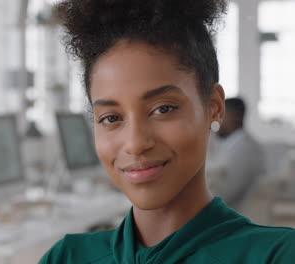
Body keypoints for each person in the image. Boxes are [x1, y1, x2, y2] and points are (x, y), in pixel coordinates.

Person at [39, 0, 295, 263]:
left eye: (163, 109)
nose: (136, 143)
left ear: (214, 107)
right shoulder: (66, 257)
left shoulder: (277, 255)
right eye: (111, 117)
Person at [207, 97, 264, 211]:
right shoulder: (229, 144)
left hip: (231, 214)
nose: (215, 121)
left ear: (236, 116)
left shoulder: (245, 149)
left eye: (220, 115)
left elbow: (228, 192)